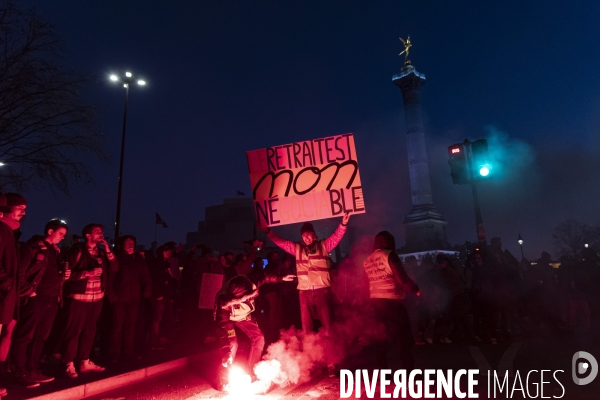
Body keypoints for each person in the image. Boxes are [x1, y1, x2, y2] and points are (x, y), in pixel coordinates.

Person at [261, 213, 350, 376]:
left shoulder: (324, 245)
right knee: (307, 330)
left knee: (328, 328)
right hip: (305, 293)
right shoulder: (296, 249)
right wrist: (268, 232)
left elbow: (337, 236)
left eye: (308, 235)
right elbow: (280, 242)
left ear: (314, 235)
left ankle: (332, 362)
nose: (307, 238)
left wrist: (343, 223)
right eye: (304, 236)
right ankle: (311, 363)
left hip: (322, 291)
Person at [12, 219, 68, 388]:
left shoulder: (54, 251)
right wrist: (29, 291)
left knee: (41, 337)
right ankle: (19, 371)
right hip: (36, 298)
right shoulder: (34, 247)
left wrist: (61, 279)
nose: (63, 238)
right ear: (50, 231)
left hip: (51, 298)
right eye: (60, 234)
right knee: (26, 335)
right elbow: (20, 272)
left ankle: (33, 369)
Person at [214, 270, 294, 390]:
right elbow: (222, 329)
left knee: (259, 338)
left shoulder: (251, 281)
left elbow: (266, 276)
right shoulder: (223, 303)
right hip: (229, 319)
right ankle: (223, 379)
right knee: (232, 344)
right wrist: (226, 352)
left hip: (244, 317)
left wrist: (282, 277)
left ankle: (251, 373)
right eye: (242, 300)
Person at [57, 224, 118, 378]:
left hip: (96, 297)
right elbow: (67, 275)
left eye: (101, 231)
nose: (101, 234)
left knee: (90, 330)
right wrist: (87, 273)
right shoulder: (77, 250)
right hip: (79, 297)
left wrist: (108, 251)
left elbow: (115, 268)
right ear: (88, 235)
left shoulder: (101, 253)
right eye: (97, 232)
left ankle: (84, 361)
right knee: (73, 331)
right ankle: (68, 363)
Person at [363, 231, 419, 370]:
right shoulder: (389, 255)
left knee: (380, 338)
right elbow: (402, 278)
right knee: (403, 337)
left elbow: (366, 282)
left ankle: (383, 372)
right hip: (394, 301)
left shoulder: (367, 260)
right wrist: (415, 289)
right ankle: (408, 370)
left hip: (376, 302)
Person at [107, 235, 152, 362]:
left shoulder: (138, 259)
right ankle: (114, 353)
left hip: (134, 299)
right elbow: (110, 279)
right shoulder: (117, 259)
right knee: (117, 327)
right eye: (128, 243)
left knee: (130, 326)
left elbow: (146, 276)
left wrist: (146, 292)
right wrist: (112, 297)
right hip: (119, 300)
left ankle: (128, 352)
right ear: (122, 245)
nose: (131, 245)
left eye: (132, 243)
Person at [0, 193, 25, 397]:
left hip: (9, 294)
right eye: (20, 207)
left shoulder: (9, 231)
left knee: (7, 332)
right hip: (3, 294)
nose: (24, 213)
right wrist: (7, 284)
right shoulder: (1, 230)